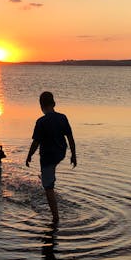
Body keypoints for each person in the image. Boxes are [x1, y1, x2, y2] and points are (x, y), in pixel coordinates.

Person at [25, 91, 77, 223]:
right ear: (54, 104)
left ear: (41, 106)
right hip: (61, 153)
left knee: (48, 188)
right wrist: (74, 155)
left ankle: (56, 218)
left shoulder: (41, 122)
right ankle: (47, 176)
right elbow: (70, 138)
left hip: (47, 157)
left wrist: (29, 155)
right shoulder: (63, 118)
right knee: (49, 172)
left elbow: (35, 142)